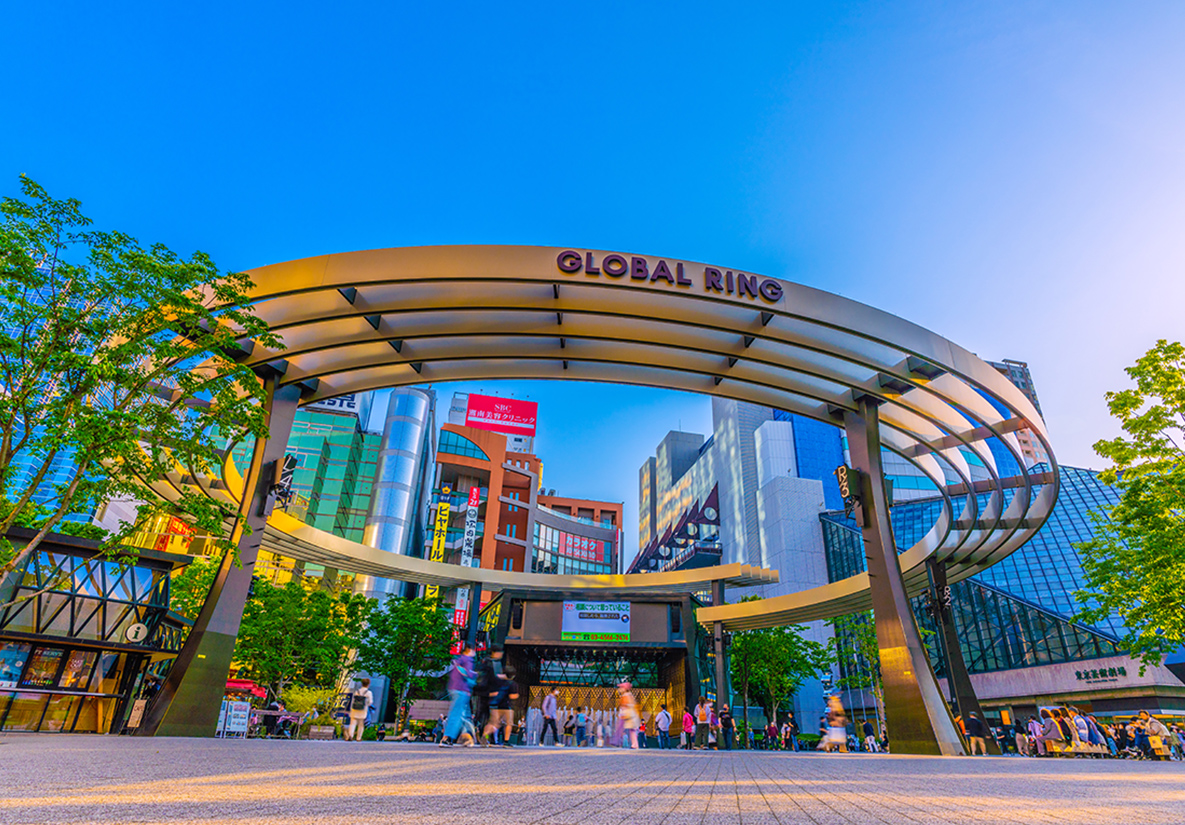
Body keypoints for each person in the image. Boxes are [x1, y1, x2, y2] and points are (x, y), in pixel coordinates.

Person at [441, 645, 475, 747]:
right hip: (462, 690)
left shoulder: (458, 661)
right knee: (457, 714)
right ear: (468, 650)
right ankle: (447, 738)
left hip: (454, 688)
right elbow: (468, 674)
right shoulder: (468, 660)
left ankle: (466, 737)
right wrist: (475, 677)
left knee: (464, 715)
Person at [483, 667, 518, 747]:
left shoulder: (498, 683)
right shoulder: (512, 684)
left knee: (493, 724)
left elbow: (491, 693)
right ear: (513, 675)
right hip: (507, 707)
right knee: (508, 724)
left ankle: (485, 737)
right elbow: (513, 696)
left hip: (496, 706)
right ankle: (506, 742)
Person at [346, 677, 373, 742]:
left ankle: (350, 736)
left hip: (354, 709)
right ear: (368, 684)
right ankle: (358, 738)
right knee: (361, 724)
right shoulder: (368, 692)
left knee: (352, 723)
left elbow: (353, 700)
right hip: (363, 710)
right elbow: (370, 702)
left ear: (362, 684)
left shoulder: (357, 691)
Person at [617, 681, 640, 749]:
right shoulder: (630, 695)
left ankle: (617, 741)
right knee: (632, 731)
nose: (620, 689)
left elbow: (624, 704)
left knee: (626, 729)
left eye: (621, 688)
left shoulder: (626, 695)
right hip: (631, 714)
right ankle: (634, 744)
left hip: (629, 714)